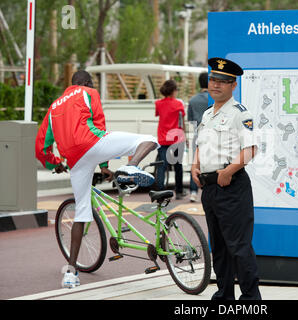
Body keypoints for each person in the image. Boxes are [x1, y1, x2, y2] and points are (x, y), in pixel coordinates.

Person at [35, 70, 159, 288]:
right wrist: (104, 165)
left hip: (74, 159)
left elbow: (41, 148)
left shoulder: (53, 107)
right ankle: (131, 166)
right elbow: (99, 124)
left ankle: (71, 273)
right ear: (87, 82)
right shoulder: (88, 92)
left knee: (82, 211)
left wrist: (56, 164)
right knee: (148, 139)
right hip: (92, 142)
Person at [191, 58, 262, 300]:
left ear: (234, 85)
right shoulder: (208, 114)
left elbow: (250, 149)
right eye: (213, 80)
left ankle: (251, 298)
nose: (216, 85)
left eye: (223, 81)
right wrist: (195, 165)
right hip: (210, 189)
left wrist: (228, 171)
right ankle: (224, 296)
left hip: (232, 187)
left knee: (239, 247)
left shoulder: (240, 114)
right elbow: (202, 144)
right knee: (218, 247)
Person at [155, 79, 187, 199]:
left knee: (162, 166)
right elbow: (181, 120)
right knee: (178, 165)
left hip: (163, 138)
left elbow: (159, 114)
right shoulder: (179, 104)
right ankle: (179, 191)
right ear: (173, 91)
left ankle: (160, 192)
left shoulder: (158, 103)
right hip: (177, 138)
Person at [187, 72, 209, 202]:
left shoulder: (193, 100)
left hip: (197, 134)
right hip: (212, 135)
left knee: (195, 164)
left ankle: (193, 192)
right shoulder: (213, 98)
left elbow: (190, 120)